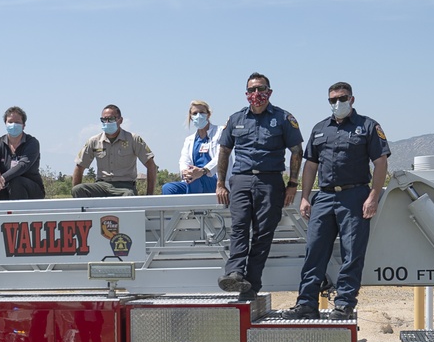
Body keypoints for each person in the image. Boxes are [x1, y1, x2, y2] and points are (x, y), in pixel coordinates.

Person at [282, 82, 390, 320]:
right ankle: (307, 303)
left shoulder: (368, 126)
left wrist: (374, 195)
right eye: (333, 100)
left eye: (342, 98)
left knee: (351, 253)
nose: (337, 103)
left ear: (352, 99)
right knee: (314, 250)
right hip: (325, 197)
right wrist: (306, 197)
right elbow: (311, 165)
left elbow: (380, 162)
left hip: (354, 196)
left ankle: (344, 303)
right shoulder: (321, 128)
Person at [215, 73, 304, 300]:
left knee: (263, 234)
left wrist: (293, 183)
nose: (257, 94)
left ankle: (251, 285)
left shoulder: (284, 118)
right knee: (240, 227)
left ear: (270, 92)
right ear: (246, 94)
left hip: (270, 182)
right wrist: (220, 183)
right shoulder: (236, 119)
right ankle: (234, 273)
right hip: (241, 180)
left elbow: (296, 151)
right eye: (252, 90)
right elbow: (224, 151)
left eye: (261, 89)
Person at [73, 104, 157, 197]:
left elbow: (151, 166)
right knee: (78, 189)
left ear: (120, 120)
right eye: (104, 120)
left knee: (129, 195)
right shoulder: (94, 141)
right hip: (101, 185)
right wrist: (77, 201)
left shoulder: (133, 139)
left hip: (125, 186)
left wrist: (149, 196)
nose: (107, 122)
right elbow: (79, 166)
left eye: (111, 119)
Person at [161, 100, 228, 195]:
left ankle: (195, 209)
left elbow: (221, 157)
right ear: (191, 117)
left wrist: (202, 171)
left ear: (208, 114)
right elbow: (184, 160)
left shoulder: (220, 132)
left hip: (213, 179)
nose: (198, 116)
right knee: (168, 188)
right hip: (194, 179)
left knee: (195, 179)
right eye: (195, 113)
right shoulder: (189, 140)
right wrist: (186, 171)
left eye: (202, 112)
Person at [0, 106, 45, 200]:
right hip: (4, 187)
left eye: (17, 122)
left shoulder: (32, 142)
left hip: (30, 189)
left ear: (24, 125)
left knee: (16, 181)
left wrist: (2, 178)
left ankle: (19, 214)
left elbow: (23, 165)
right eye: (10, 122)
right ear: (5, 123)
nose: (13, 125)